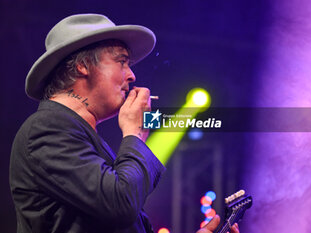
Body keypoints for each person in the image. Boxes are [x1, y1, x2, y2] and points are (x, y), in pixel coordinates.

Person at [9, 14, 239, 233]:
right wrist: (134, 134)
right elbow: (120, 203)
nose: (131, 75)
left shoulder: (83, 139)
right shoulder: (47, 128)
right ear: (84, 65)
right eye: (122, 62)